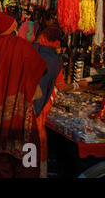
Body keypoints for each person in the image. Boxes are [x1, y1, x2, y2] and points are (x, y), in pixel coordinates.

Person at [0, 12, 47, 178]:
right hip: (22, 111)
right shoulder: (21, 45)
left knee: (1, 159)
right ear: (12, 28)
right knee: (28, 155)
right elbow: (40, 67)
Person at [32, 26, 87, 178]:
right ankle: (38, 171)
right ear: (56, 41)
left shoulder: (32, 49)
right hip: (41, 105)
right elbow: (61, 86)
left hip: (25, 102)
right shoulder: (56, 61)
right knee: (38, 137)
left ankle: (26, 168)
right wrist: (78, 85)